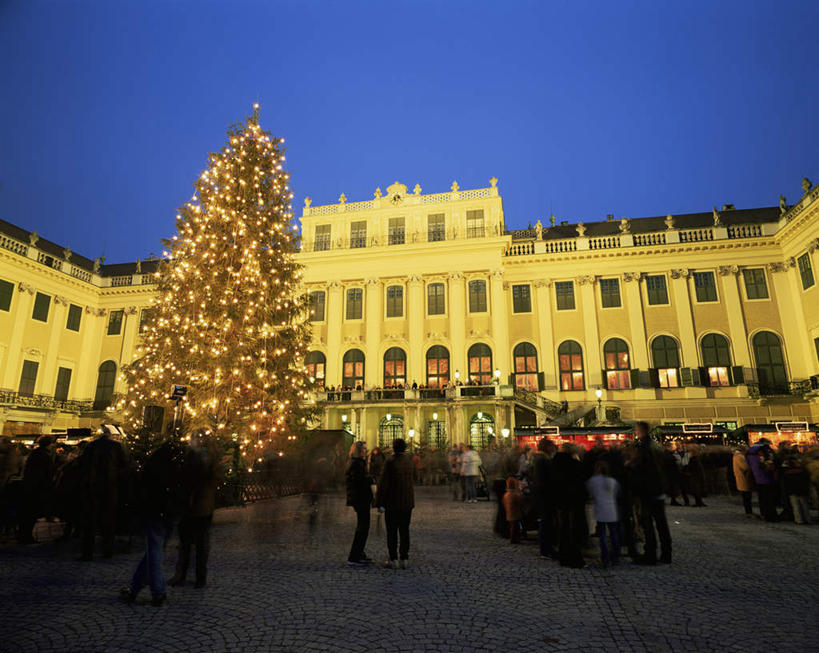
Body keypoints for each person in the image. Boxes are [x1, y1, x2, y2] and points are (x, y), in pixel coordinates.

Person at [120, 440, 186, 607]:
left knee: (154, 552)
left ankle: (158, 592)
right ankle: (135, 588)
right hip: (168, 514)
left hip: (156, 513)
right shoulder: (177, 465)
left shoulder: (155, 466)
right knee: (153, 552)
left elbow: (145, 489)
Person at [169, 429, 223, 587]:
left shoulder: (207, 458)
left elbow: (214, 479)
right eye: (194, 438)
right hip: (191, 505)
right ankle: (184, 574)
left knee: (199, 543)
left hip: (200, 505)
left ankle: (198, 576)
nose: (197, 441)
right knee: (187, 543)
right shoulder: (189, 455)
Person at [79, 426, 129, 560]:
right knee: (108, 520)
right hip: (110, 487)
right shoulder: (116, 447)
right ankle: (108, 551)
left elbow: (83, 465)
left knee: (90, 522)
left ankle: (87, 552)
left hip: (92, 486)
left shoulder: (91, 446)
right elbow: (124, 465)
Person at [631, 422, 672, 565]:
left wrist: (631, 466)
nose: (635, 432)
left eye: (636, 430)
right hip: (658, 489)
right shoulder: (656, 446)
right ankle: (667, 554)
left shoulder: (644, 447)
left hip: (648, 490)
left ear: (641, 430)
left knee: (647, 523)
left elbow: (642, 469)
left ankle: (650, 554)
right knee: (661, 523)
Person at [375, 438, 414, 569]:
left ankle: (393, 558)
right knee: (404, 531)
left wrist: (379, 503)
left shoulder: (390, 462)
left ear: (394, 447)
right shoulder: (409, 461)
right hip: (407, 502)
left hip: (392, 502)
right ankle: (404, 558)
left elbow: (383, 484)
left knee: (392, 532)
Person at [551, 443, 587, 569]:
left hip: (560, 500)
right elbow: (582, 479)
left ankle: (563, 556)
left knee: (563, 529)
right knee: (573, 530)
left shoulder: (554, 463)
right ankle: (575, 558)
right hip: (573, 500)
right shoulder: (574, 464)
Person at [18, 435, 54, 544]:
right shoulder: (42, 455)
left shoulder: (36, 453)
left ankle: (25, 535)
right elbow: (43, 472)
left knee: (29, 513)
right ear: (48, 444)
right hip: (36, 487)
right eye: (52, 443)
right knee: (31, 513)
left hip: (32, 486)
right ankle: (26, 536)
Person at [344, 441, 373, 567]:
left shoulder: (357, 462)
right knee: (362, 528)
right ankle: (354, 556)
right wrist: (370, 479)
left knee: (363, 527)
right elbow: (359, 482)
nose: (366, 451)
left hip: (360, 499)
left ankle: (359, 553)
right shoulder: (357, 464)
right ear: (358, 450)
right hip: (360, 499)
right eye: (364, 449)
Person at [585, 460, 620, 566]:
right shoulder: (612, 481)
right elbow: (617, 492)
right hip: (612, 509)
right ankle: (615, 557)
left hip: (600, 509)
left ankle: (605, 557)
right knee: (613, 534)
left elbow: (589, 491)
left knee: (603, 535)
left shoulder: (593, 480)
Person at [530, 437, 556, 558]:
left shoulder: (540, 459)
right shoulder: (542, 460)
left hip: (542, 496)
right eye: (552, 446)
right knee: (545, 523)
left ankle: (547, 548)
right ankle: (545, 550)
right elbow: (542, 480)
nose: (554, 448)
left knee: (546, 523)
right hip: (544, 497)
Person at [746, 439, 777, 522]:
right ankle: (771, 515)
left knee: (761, 496)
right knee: (769, 497)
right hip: (767, 476)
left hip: (757, 477)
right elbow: (771, 461)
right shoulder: (765, 449)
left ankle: (763, 513)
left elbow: (748, 463)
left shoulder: (750, 450)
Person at [781, 455, 811, 524]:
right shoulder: (802, 470)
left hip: (792, 491)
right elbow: (806, 479)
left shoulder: (787, 472)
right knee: (804, 506)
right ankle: (807, 519)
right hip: (802, 491)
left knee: (796, 506)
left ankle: (798, 520)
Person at [732, 445, 754, 517]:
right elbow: (745, 467)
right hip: (744, 478)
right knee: (747, 496)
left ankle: (748, 511)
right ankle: (748, 511)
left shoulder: (737, 456)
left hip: (741, 477)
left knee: (746, 495)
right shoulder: (740, 457)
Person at [502, 477, 524, 543]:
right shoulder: (515, 495)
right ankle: (514, 538)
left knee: (512, 526)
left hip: (509, 513)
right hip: (515, 513)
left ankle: (513, 538)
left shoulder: (506, 495)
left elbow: (503, 503)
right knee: (515, 527)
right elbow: (520, 501)